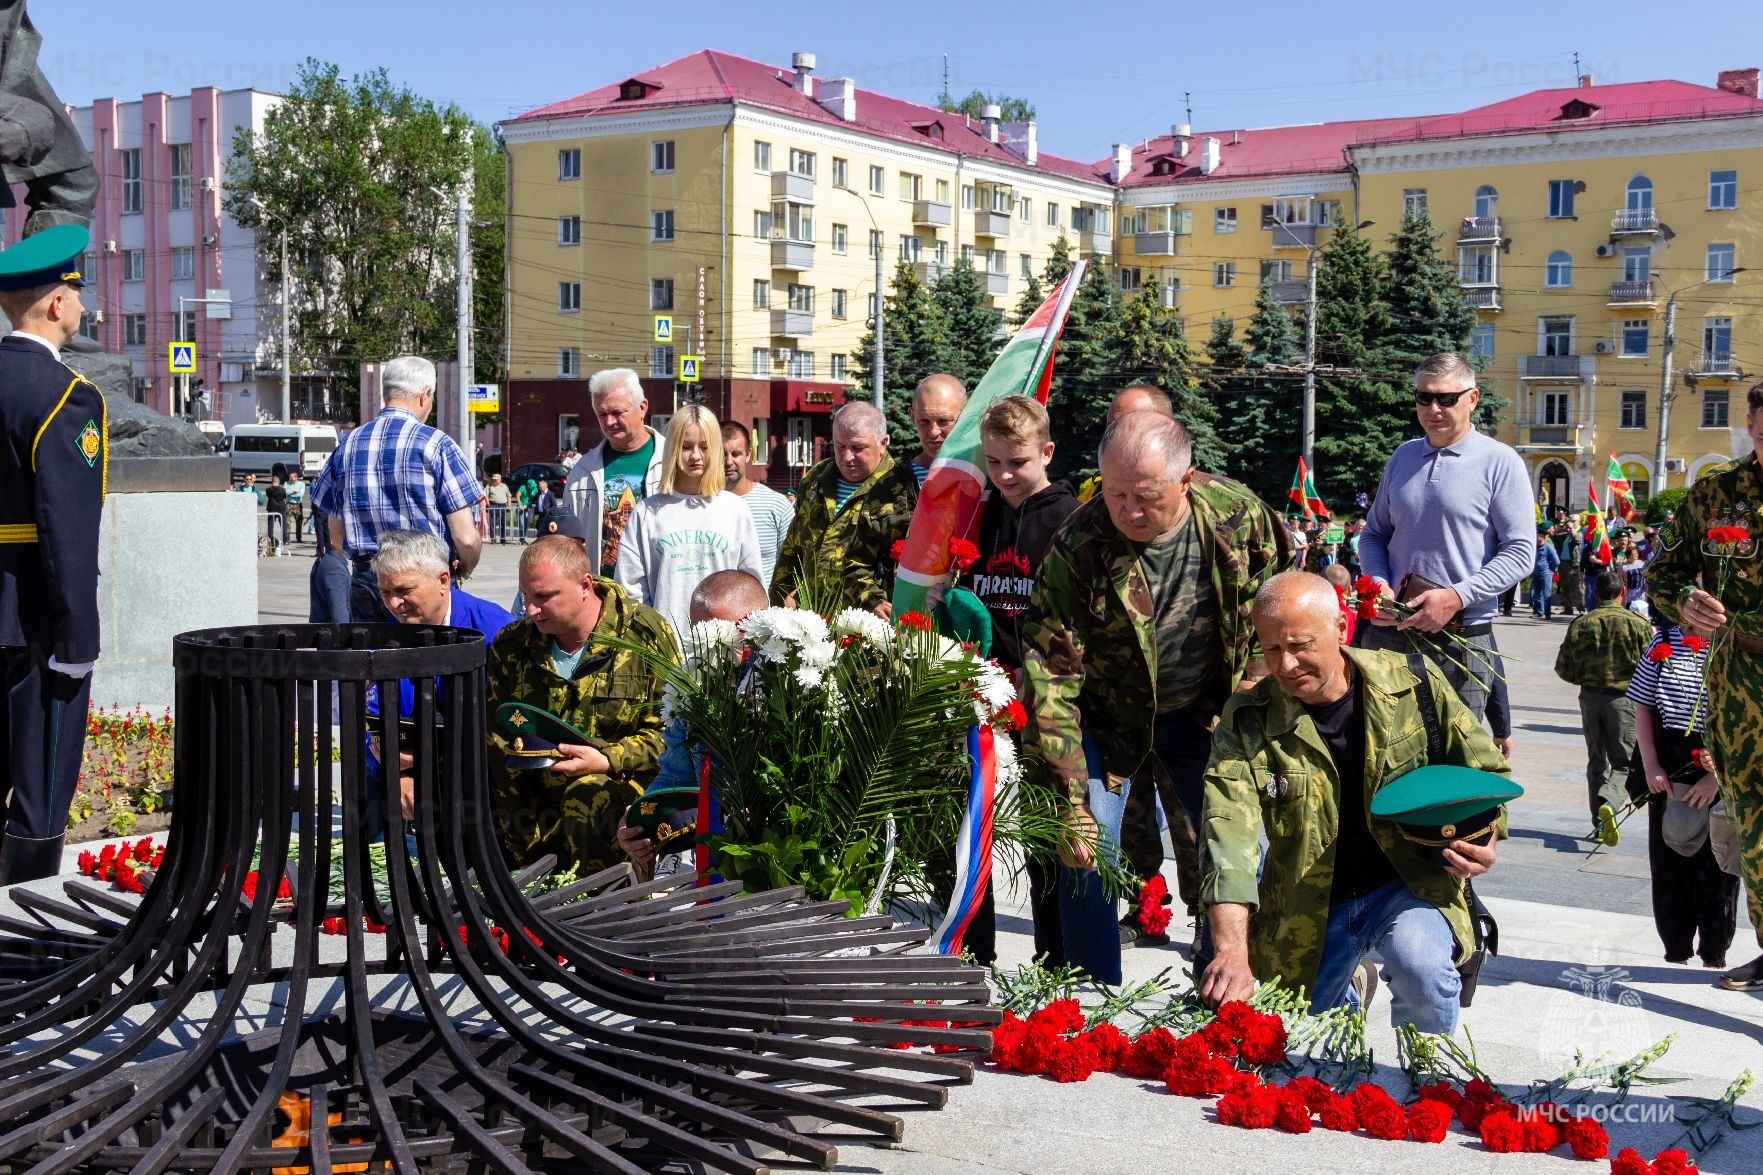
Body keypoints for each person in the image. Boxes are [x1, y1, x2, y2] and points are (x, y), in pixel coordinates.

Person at [1024, 412, 1289, 956]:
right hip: (1105, 718)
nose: (1129, 511)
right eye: (1116, 494)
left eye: (1146, 496)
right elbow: (1050, 674)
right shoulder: (1080, 543)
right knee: (1084, 840)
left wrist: (1255, 693)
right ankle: (1084, 991)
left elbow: (1280, 599)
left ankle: (1240, 975)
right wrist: (1071, 796)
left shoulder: (1238, 516)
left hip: (1205, 710)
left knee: (1231, 839)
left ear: (1186, 481)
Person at [1198, 572, 1507, 1032]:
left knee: (1421, 967)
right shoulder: (1247, 722)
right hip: (1309, 901)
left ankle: (1428, 1080)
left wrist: (1484, 839)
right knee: (1302, 1040)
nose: (1285, 665)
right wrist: (1230, 950)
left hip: (1408, 883)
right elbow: (1228, 834)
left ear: (1341, 628)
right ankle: (1350, 986)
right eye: (1271, 649)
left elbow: (1487, 775)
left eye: (1300, 644)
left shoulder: (1413, 684)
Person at [956, 395, 1081, 964]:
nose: (1005, 474)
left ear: (1047, 452)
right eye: (995, 461)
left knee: (1044, 836)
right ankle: (971, 953)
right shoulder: (980, 512)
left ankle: (1055, 957)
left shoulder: (1069, 521)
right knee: (972, 828)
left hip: (1046, 703)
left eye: (1019, 462)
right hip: (981, 695)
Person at [1649, 379, 1763, 991]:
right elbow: (1661, 571)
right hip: (1738, 700)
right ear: (1750, 424)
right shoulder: (1715, 494)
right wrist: (1686, 603)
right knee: (1753, 828)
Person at [0, 223, 105, 883]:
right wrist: (78, 635)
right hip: (34, 613)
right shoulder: (66, 397)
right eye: (75, 290)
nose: (81, 305)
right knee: (39, 778)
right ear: (57, 303)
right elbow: (66, 527)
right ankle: (29, 937)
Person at [1359, 351, 1534, 719]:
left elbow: (1520, 552)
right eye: (1424, 397)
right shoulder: (1403, 456)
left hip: (1461, 638)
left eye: (1446, 398)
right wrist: (1378, 584)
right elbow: (1374, 534)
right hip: (1390, 633)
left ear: (1472, 398)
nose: (1433, 408)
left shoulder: (1500, 462)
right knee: (1383, 753)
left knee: (1454, 761)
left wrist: (1456, 596)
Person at [487, 535, 676, 875]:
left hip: (618, 786)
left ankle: (607, 906)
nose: (530, 609)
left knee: (588, 796)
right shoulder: (512, 645)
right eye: (526, 596)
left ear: (585, 585)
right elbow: (498, 736)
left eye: (544, 597)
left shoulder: (643, 635)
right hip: (534, 799)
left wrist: (606, 759)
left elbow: (668, 734)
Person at [616, 569, 770, 880]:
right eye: (703, 634)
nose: (714, 646)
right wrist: (637, 820)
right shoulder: (695, 686)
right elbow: (676, 773)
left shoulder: (798, 684)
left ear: (759, 624)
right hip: (715, 855)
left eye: (727, 633)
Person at [310, 355, 483, 623]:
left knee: (373, 660)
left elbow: (335, 533)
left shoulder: (347, 444)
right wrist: (465, 567)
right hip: (423, 583)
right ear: (425, 395)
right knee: (428, 662)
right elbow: (466, 537)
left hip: (368, 581)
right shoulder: (437, 444)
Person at [366, 529, 514, 827]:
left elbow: (513, 724)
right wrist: (395, 774)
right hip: (414, 779)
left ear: (443, 581)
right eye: (386, 593)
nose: (395, 604)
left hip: (488, 782)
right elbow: (371, 722)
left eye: (405, 590)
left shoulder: (495, 631)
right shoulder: (386, 637)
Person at [1628, 623, 1738, 970]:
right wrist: (1651, 766)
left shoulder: (1736, 642)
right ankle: (1675, 950)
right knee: (1670, 861)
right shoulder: (1663, 641)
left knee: (1717, 868)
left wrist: (1716, 776)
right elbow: (1643, 706)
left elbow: (1747, 719)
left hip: (1721, 763)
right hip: (1669, 765)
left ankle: (1714, 952)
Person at [616, 405, 763, 645]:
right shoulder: (648, 512)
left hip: (724, 652)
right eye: (686, 447)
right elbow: (631, 589)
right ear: (673, 448)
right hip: (664, 653)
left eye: (704, 447)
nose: (695, 456)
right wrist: (649, 640)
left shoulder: (735, 510)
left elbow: (752, 585)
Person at [844, 373, 967, 617]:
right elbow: (856, 562)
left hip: (965, 626)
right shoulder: (889, 486)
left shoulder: (981, 480)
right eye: (924, 421)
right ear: (912, 417)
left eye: (944, 421)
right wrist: (873, 601)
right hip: (904, 626)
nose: (933, 432)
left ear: (965, 416)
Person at [769, 402, 897, 608]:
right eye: (840, 446)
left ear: (883, 443)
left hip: (868, 623)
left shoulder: (900, 489)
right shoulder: (816, 479)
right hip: (813, 619)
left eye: (858, 448)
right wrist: (777, 602)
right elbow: (792, 548)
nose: (847, 457)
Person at [1554, 570, 1652, 821]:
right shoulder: (1639, 624)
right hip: (1624, 699)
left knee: (1596, 761)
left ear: (1595, 594)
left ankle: (1599, 820)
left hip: (1589, 698)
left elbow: (1563, 668)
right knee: (1624, 761)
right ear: (1623, 592)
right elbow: (1653, 669)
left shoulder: (1581, 623)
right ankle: (1609, 801)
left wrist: (1588, 678)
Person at [561, 368, 667, 580]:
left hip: (661, 589)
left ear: (642, 407)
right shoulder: (583, 473)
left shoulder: (673, 461)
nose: (609, 422)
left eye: (618, 413)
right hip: (602, 597)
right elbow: (568, 543)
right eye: (602, 414)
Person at [720, 420, 794, 586]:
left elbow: (792, 569)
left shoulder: (777, 506)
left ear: (748, 455)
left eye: (735, 454)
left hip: (764, 609)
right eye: (721, 454)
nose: (728, 461)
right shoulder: (701, 504)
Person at [1553, 518, 1583, 617]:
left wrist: (1572, 530)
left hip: (1573, 564)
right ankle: (1567, 608)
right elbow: (1554, 537)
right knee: (1564, 587)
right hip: (1563, 564)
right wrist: (1558, 529)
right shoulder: (1564, 536)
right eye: (1567, 527)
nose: (1568, 529)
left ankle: (1580, 608)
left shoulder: (1577, 535)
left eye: (1569, 527)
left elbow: (1578, 540)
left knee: (1575, 587)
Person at [1530, 531, 1559, 619]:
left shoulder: (1549, 548)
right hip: (1535, 573)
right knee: (1537, 594)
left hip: (1546, 574)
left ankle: (1547, 614)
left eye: (1540, 536)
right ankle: (1539, 612)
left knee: (1547, 594)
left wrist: (1550, 570)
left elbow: (1556, 561)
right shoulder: (1534, 548)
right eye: (1537, 536)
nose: (1538, 538)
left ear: (1544, 538)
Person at [264, 472, 290, 554]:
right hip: (281, 508)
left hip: (272, 508)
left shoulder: (268, 490)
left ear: (272, 481)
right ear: (278, 482)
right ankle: (285, 539)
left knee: (270, 524)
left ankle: (270, 538)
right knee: (283, 524)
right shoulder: (282, 490)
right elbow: (284, 497)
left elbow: (268, 496)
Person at [485, 472, 511, 544]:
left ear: (500, 479)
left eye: (496, 479)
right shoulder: (489, 486)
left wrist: (509, 505)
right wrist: (488, 504)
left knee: (502, 522)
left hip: (503, 505)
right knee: (492, 523)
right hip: (493, 505)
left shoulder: (504, 486)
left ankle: (502, 539)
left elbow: (508, 496)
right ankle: (493, 539)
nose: (495, 481)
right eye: (494, 479)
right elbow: (485, 495)